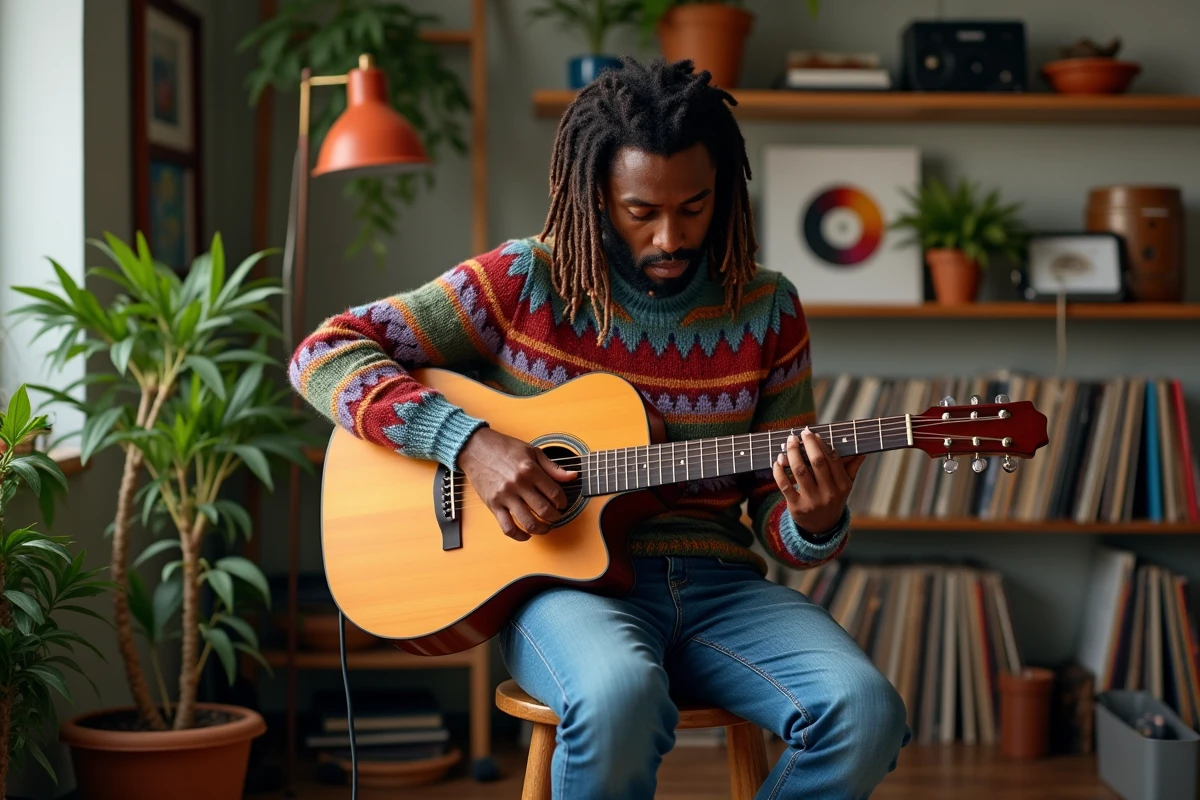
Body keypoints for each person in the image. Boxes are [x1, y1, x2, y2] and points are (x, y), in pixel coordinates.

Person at [289, 56, 910, 800]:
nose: (671, 237)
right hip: (563, 593)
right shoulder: (526, 280)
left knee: (865, 710)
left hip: (721, 591)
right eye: (640, 211)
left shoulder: (768, 306)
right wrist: (470, 444)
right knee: (618, 697)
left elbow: (778, 520)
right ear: (595, 194)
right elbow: (324, 352)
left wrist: (817, 515)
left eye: (695, 205)